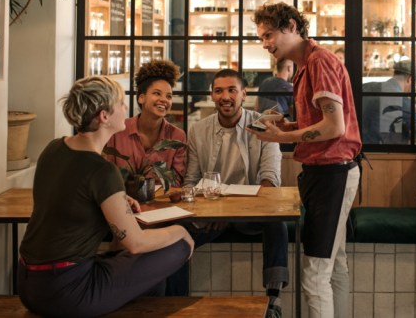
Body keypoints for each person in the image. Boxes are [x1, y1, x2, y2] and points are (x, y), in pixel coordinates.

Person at [17, 76, 193, 317]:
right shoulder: (101, 169)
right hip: (67, 292)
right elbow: (136, 243)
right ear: (104, 116)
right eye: (120, 103)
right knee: (177, 247)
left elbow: (70, 199)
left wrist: (116, 200)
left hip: (28, 284)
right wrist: (180, 232)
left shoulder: (54, 148)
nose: (125, 108)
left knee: (150, 278)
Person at [250, 2, 362, 318]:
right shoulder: (306, 65)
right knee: (333, 263)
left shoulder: (318, 63)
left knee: (314, 274)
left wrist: (280, 137)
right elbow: (321, 122)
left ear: (291, 26)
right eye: (261, 38)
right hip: (327, 173)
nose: (266, 44)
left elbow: (334, 127)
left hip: (332, 174)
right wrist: (290, 126)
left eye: (269, 35)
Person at [184, 69, 288, 318]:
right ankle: (175, 300)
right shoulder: (198, 130)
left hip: (250, 215)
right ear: (212, 96)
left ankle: (273, 300)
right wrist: (212, 210)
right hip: (210, 215)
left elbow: (270, 181)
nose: (225, 96)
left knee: (278, 222)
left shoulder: (263, 125)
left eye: (232, 90)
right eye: (219, 90)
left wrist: (228, 211)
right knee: (176, 238)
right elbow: (191, 181)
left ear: (244, 94)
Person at [104, 59, 188, 295]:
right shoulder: (118, 131)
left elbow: (176, 183)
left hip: (161, 214)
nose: (164, 100)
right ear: (141, 97)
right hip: (121, 213)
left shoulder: (177, 136)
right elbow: (106, 177)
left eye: (169, 96)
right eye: (157, 93)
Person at [362, 60, 416, 144]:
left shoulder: (366, 87)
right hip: (384, 153)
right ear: (410, 79)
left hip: (358, 150)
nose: (415, 88)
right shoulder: (402, 100)